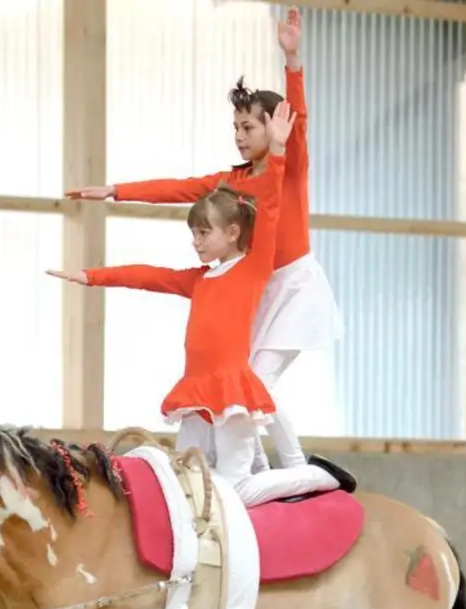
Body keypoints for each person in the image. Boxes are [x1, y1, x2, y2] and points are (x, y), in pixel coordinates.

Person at [66, 6, 342, 477]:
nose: (239, 136)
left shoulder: (289, 167)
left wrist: (292, 60)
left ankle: (296, 469)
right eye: (235, 128)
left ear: (274, 127)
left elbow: (298, 117)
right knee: (240, 385)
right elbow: (178, 188)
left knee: (258, 380)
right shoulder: (232, 182)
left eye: (248, 127)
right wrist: (115, 190)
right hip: (255, 286)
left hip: (294, 285)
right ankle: (256, 468)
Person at [48, 102, 349, 507]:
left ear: (233, 232)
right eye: (194, 234)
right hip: (199, 392)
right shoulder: (201, 279)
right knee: (185, 480)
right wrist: (92, 275)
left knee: (234, 490)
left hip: (232, 391)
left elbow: (272, 207)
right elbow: (150, 276)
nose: (196, 242)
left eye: (204, 234)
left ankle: (314, 475)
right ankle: (268, 477)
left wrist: (279, 151)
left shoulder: (252, 270)